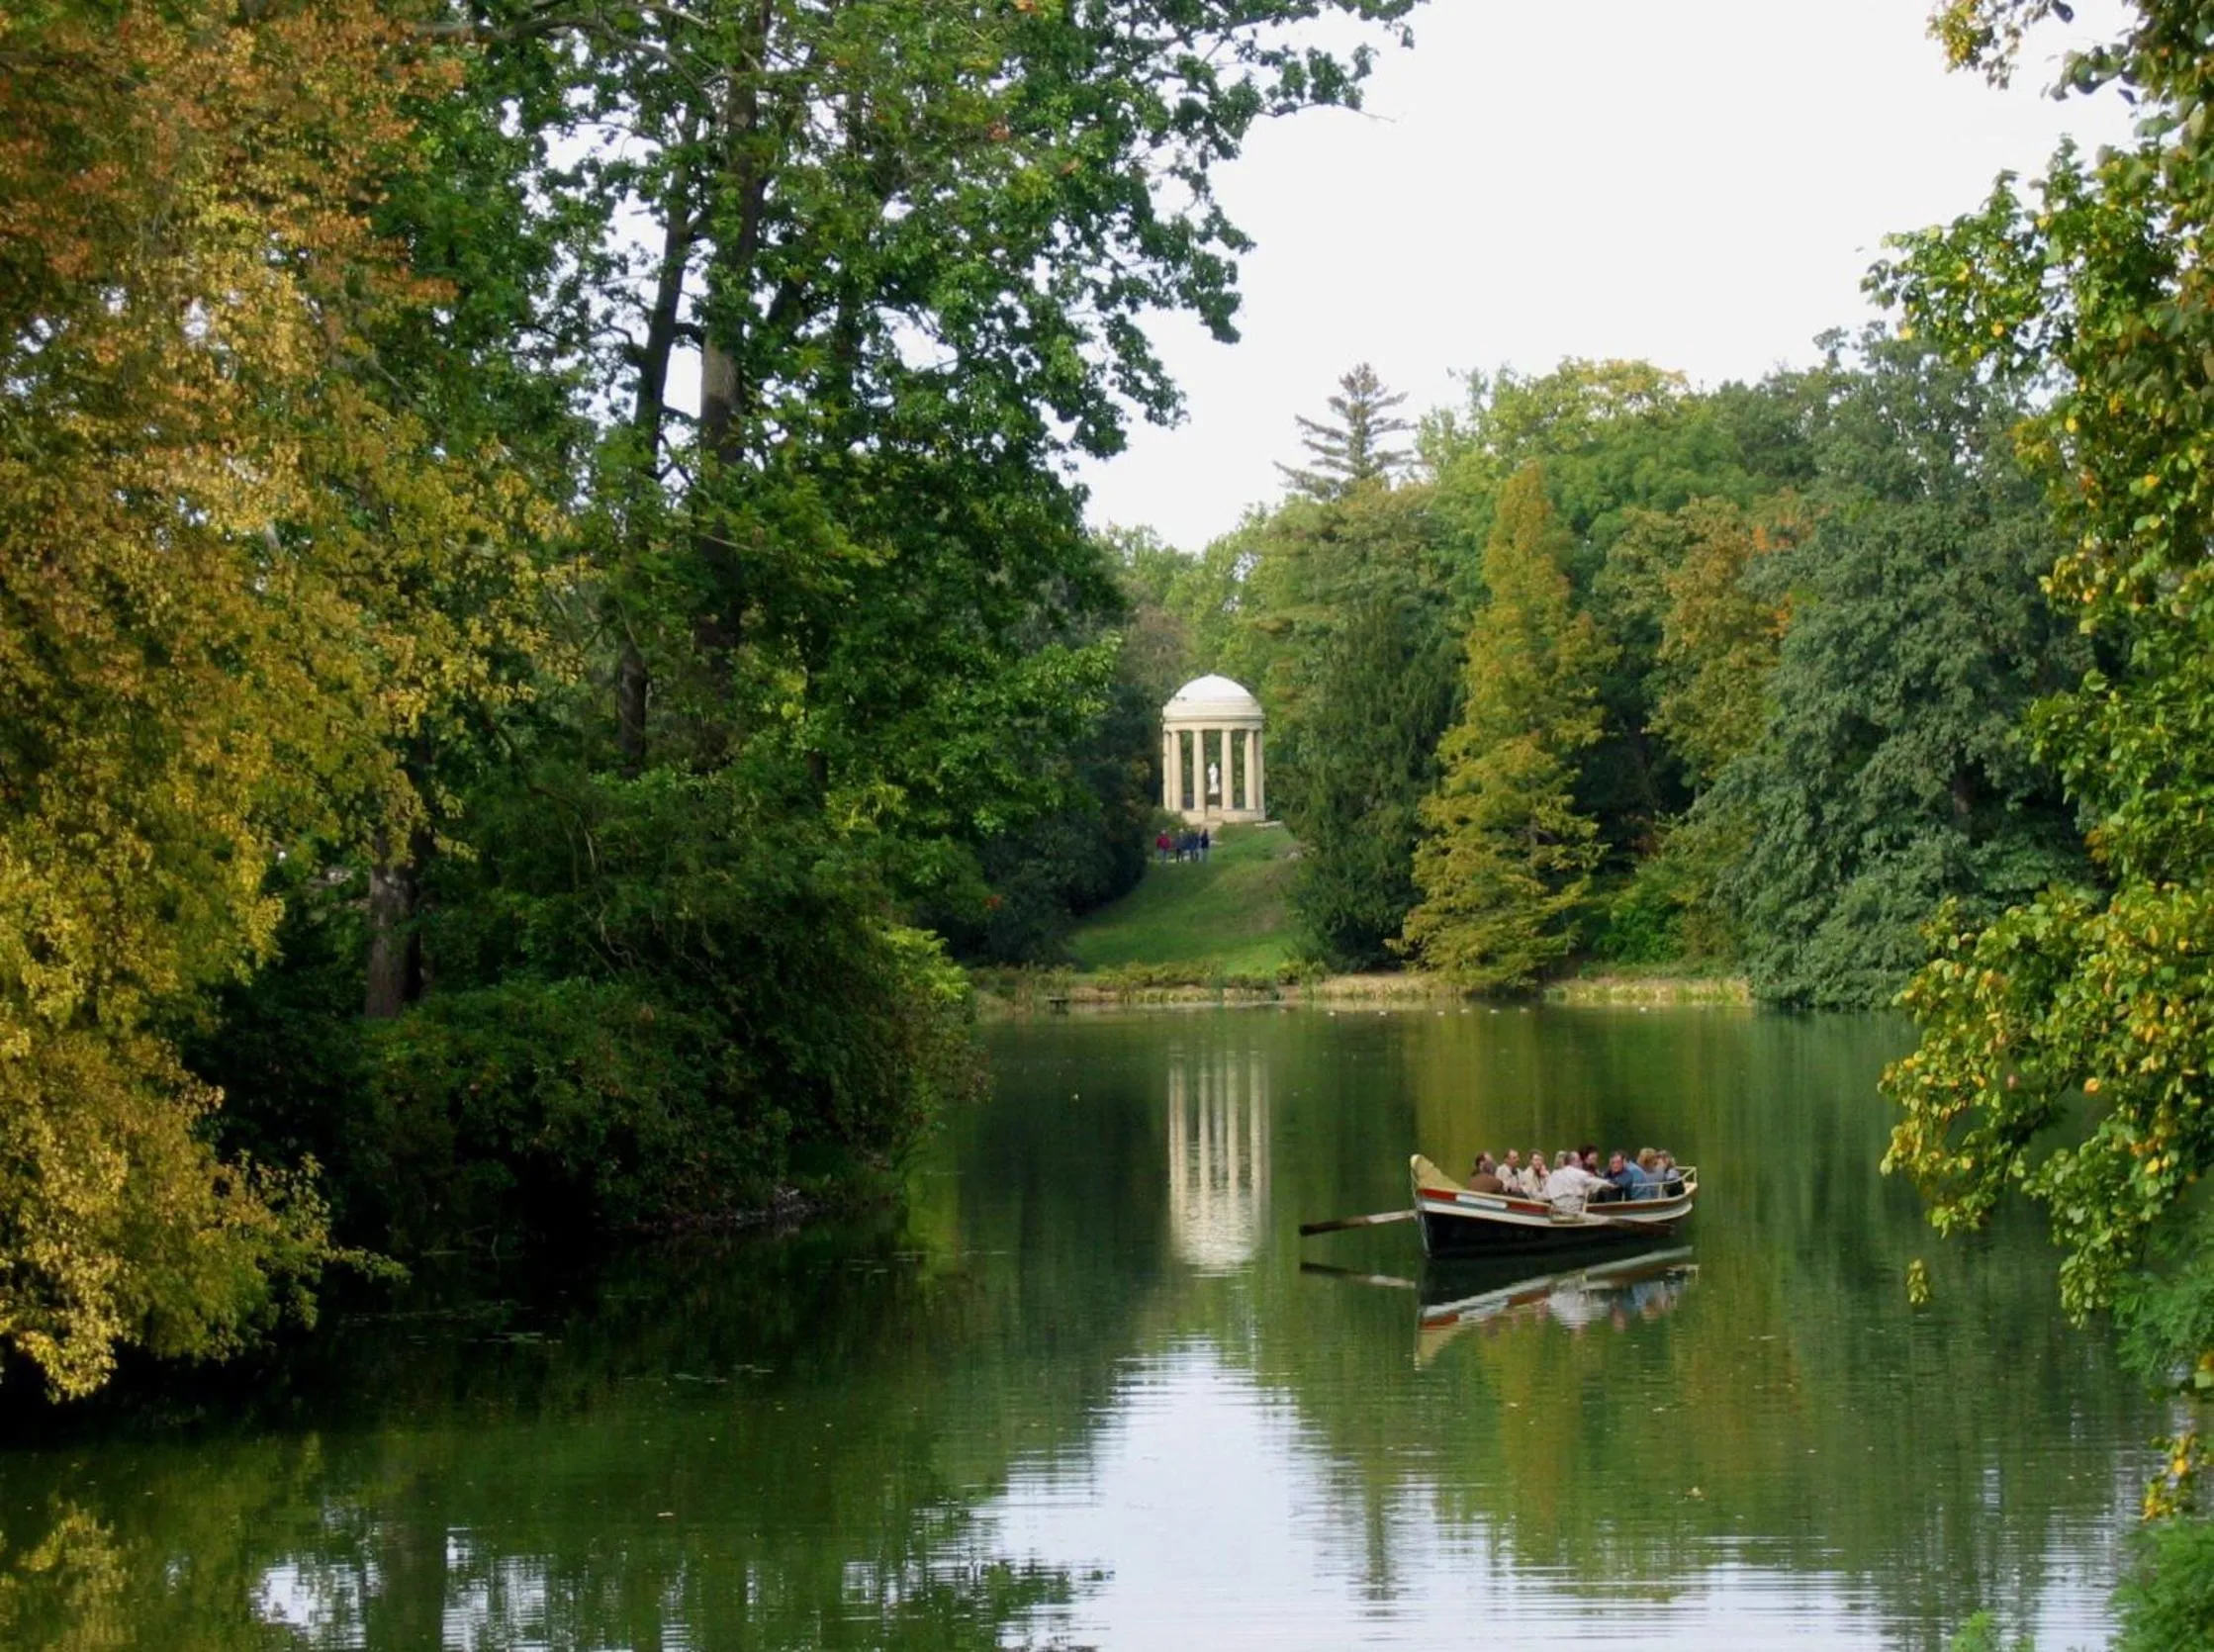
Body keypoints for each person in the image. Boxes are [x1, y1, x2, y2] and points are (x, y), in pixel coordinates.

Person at [1543, 1151, 1608, 1216]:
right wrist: (1611, 1184)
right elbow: (1598, 1182)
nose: (1581, 1163)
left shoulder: (1553, 1175)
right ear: (1572, 1162)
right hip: (1574, 1214)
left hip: (1559, 1213)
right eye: (1579, 1160)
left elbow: (1544, 1195)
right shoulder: (1580, 1173)